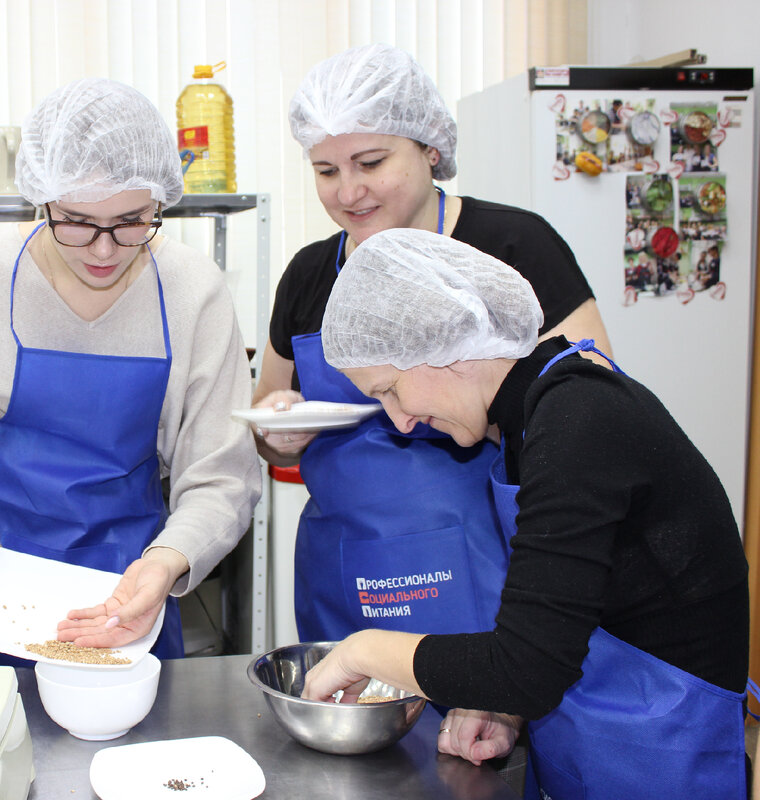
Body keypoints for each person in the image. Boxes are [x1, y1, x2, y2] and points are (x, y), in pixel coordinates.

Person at [302, 227, 749, 799]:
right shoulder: (531, 416)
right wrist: (503, 706)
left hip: (662, 752)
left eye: (389, 389)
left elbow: (527, 668)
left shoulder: (578, 421)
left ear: (443, 344)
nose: (400, 420)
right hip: (590, 741)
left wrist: (364, 650)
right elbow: (562, 619)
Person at [0, 78, 261, 666]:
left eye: (133, 221)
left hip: (123, 597)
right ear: (42, 198)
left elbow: (222, 477)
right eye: (77, 221)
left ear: (162, 200)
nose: (104, 249)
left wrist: (165, 564)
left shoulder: (192, 293)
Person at [250, 44, 614, 644]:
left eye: (370, 161)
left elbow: (588, 424)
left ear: (429, 146)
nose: (348, 192)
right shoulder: (309, 276)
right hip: (346, 582)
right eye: (326, 170)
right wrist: (276, 433)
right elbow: (270, 429)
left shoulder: (514, 247)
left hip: (493, 582)